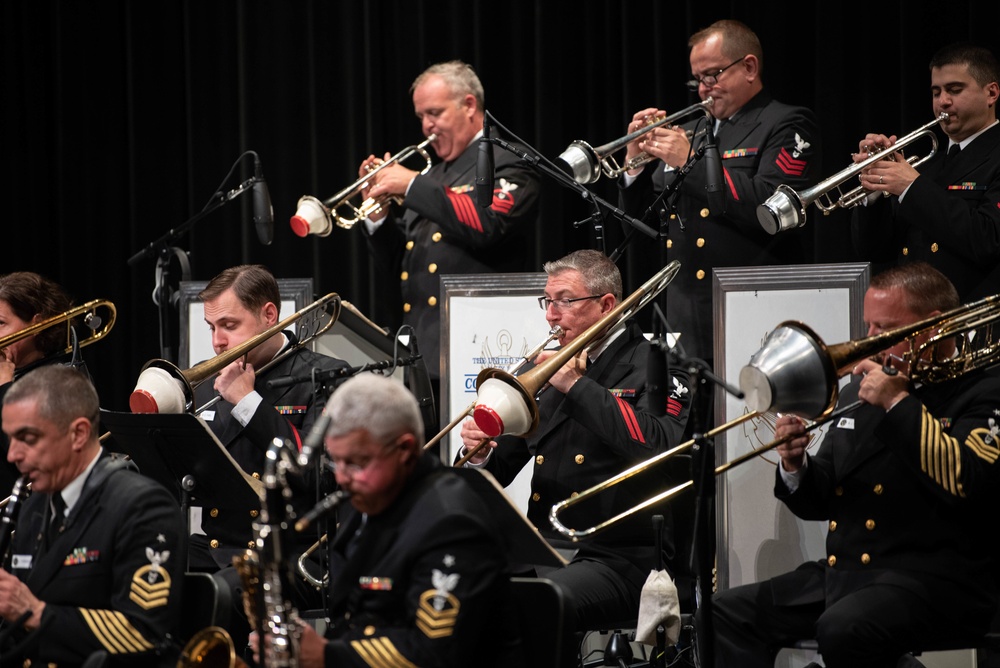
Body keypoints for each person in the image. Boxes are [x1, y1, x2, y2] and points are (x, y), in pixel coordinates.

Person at [712, 262, 1000, 668]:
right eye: (868, 327)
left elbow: (967, 480)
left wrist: (898, 403)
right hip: (848, 575)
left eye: (884, 330)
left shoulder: (983, 390)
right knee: (724, 611)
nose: (868, 343)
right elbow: (824, 500)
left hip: (937, 579)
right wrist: (796, 465)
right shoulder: (858, 393)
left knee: (844, 627)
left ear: (933, 327)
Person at [458, 249, 692, 636]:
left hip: (621, 558)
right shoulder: (548, 371)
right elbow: (500, 466)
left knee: (531, 607)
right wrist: (480, 453)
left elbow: (656, 443)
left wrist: (574, 385)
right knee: (451, 590)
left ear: (606, 304)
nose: (551, 314)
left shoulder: (655, 361)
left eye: (565, 300)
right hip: (543, 548)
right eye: (547, 302)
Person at [253, 372, 522, 668]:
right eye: (336, 461)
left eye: (355, 463)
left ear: (405, 450)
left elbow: (434, 653)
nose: (341, 477)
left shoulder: (454, 523)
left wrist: (327, 655)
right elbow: (350, 619)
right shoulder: (367, 498)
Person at [618, 19, 822, 366]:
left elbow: (770, 204)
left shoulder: (787, 123)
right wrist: (634, 162)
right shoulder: (691, 132)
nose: (702, 89)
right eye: (697, 79)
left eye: (712, 76)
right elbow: (644, 225)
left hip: (753, 303)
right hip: (683, 309)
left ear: (749, 67)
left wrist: (687, 162)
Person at [359, 59, 542, 398]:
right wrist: (378, 215)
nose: (426, 126)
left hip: (480, 351)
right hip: (421, 352)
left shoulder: (510, 159)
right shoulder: (434, 177)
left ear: (469, 105)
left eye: (435, 113)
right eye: (421, 117)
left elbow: (487, 224)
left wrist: (412, 184)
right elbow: (402, 262)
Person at [0, 364, 185, 667]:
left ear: (78, 434)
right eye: (10, 439)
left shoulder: (143, 507)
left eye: (27, 438)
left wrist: (35, 612)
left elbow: (143, 632)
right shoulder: (34, 505)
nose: (12, 455)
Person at [186, 264, 350, 574]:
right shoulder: (205, 380)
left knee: (214, 595)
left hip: (293, 551)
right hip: (217, 547)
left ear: (269, 315)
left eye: (229, 325)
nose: (217, 341)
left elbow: (317, 478)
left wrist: (247, 401)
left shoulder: (322, 377)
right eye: (211, 327)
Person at [851, 42, 1000, 302]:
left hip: (973, 321)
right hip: (915, 315)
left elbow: (988, 239)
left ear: (991, 93)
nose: (943, 101)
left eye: (955, 90)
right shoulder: (928, 165)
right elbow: (875, 249)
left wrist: (912, 187)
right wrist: (872, 188)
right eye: (936, 92)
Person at [0, 271, 82, 498]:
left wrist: (4, 389)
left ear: (36, 325)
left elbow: (29, 456)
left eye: (1, 323)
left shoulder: (61, 380)